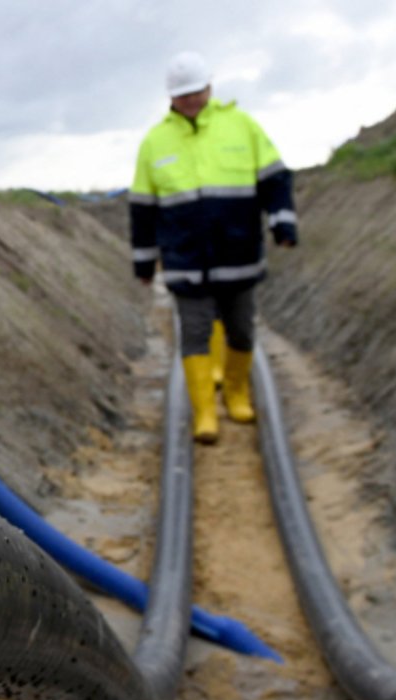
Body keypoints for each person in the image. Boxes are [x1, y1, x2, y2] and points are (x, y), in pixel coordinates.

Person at [130, 51, 298, 444]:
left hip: (237, 255)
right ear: (170, 97)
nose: (190, 100)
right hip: (185, 260)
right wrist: (143, 261)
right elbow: (142, 208)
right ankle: (205, 412)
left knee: (240, 330)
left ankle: (236, 394)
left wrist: (282, 221)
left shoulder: (241, 126)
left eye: (195, 91)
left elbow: (275, 179)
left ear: (209, 86)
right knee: (194, 334)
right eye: (182, 94)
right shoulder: (155, 141)